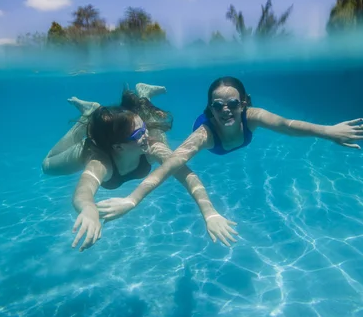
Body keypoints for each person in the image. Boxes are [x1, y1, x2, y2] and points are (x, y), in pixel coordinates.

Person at [97, 76, 363, 223]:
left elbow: (288, 125)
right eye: (218, 106)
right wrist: (132, 199)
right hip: (209, 137)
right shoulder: (205, 133)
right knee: (155, 125)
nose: (226, 111)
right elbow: (170, 165)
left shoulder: (252, 116)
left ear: (245, 103)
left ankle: (144, 92)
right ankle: (142, 94)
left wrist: (329, 132)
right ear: (210, 109)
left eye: (233, 103)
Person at [42, 83, 238, 252]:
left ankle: (142, 94)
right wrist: (88, 209)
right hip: (95, 144)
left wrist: (210, 213)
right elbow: (83, 191)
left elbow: (186, 174)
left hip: (128, 139)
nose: (146, 136)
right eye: (138, 135)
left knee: (154, 131)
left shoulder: (151, 145)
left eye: (144, 129)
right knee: (47, 166)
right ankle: (89, 116)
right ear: (118, 147)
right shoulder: (99, 162)